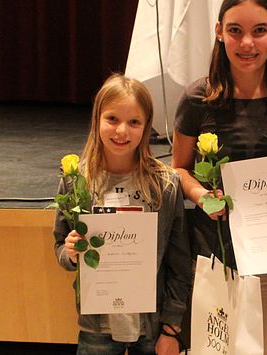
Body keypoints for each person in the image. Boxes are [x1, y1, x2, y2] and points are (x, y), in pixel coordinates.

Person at [171, 0, 267, 354]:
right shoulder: (197, 98)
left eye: (259, 31)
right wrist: (203, 197)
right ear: (219, 31)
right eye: (235, 30)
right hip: (214, 252)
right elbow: (179, 169)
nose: (247, 43)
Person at [53, 74, 192, 355]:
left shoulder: (165, 184)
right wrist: (70, 253)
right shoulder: (75, 182)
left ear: (146, 127)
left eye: (134, 122)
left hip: (151, 328)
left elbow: (179, 263)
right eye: (112, 119)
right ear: (97, 120)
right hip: (97, 326)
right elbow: (60, 247)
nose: (121, 131)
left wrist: (171, 328)